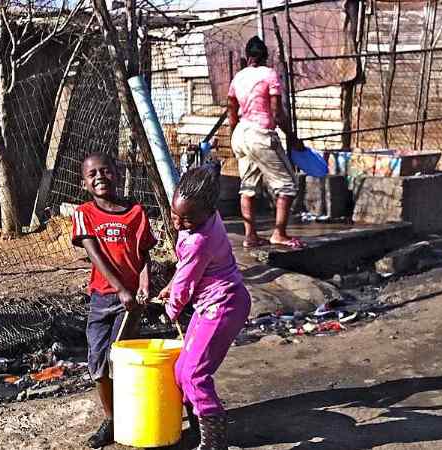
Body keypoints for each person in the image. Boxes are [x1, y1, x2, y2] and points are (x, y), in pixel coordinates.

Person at [158, 163, 251, 450]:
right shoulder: (204, 219)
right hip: (213, 303)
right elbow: (187, 271)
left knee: (194, 374)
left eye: (186, 219)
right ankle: (202, 430)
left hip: (222, 306)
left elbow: (186, 282)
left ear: (209, 211)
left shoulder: (200, 239)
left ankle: (214, 442)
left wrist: (170, 311)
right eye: (175, 214)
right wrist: (171, 285)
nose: (178, 223)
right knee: (181, 371)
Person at [71, 152, 158, 448]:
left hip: (131, 302)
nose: (99, 177)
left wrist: (144, 283)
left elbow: (144, 253)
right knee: (97, 362)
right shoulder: (84, 213)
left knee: (118, 359)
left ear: (117, 174)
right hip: (102, 298)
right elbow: (96, 255)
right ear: (84, 183)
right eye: (92, 174)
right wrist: (120, 288)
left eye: (105, 171)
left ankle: (126, 415)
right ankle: (111, 418)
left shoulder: (136, 211)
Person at [228, 35, 305, 249]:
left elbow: (231, 110)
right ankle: (279, 234)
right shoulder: (269, 75)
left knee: (248, 187)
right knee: (288, 185)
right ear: (265, 56)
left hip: (241, 135)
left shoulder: (239, 77)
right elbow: (277, 113)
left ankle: (250, 236)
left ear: (247, 56)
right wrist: (292, 137)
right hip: (260, 135)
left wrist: (234, 135)